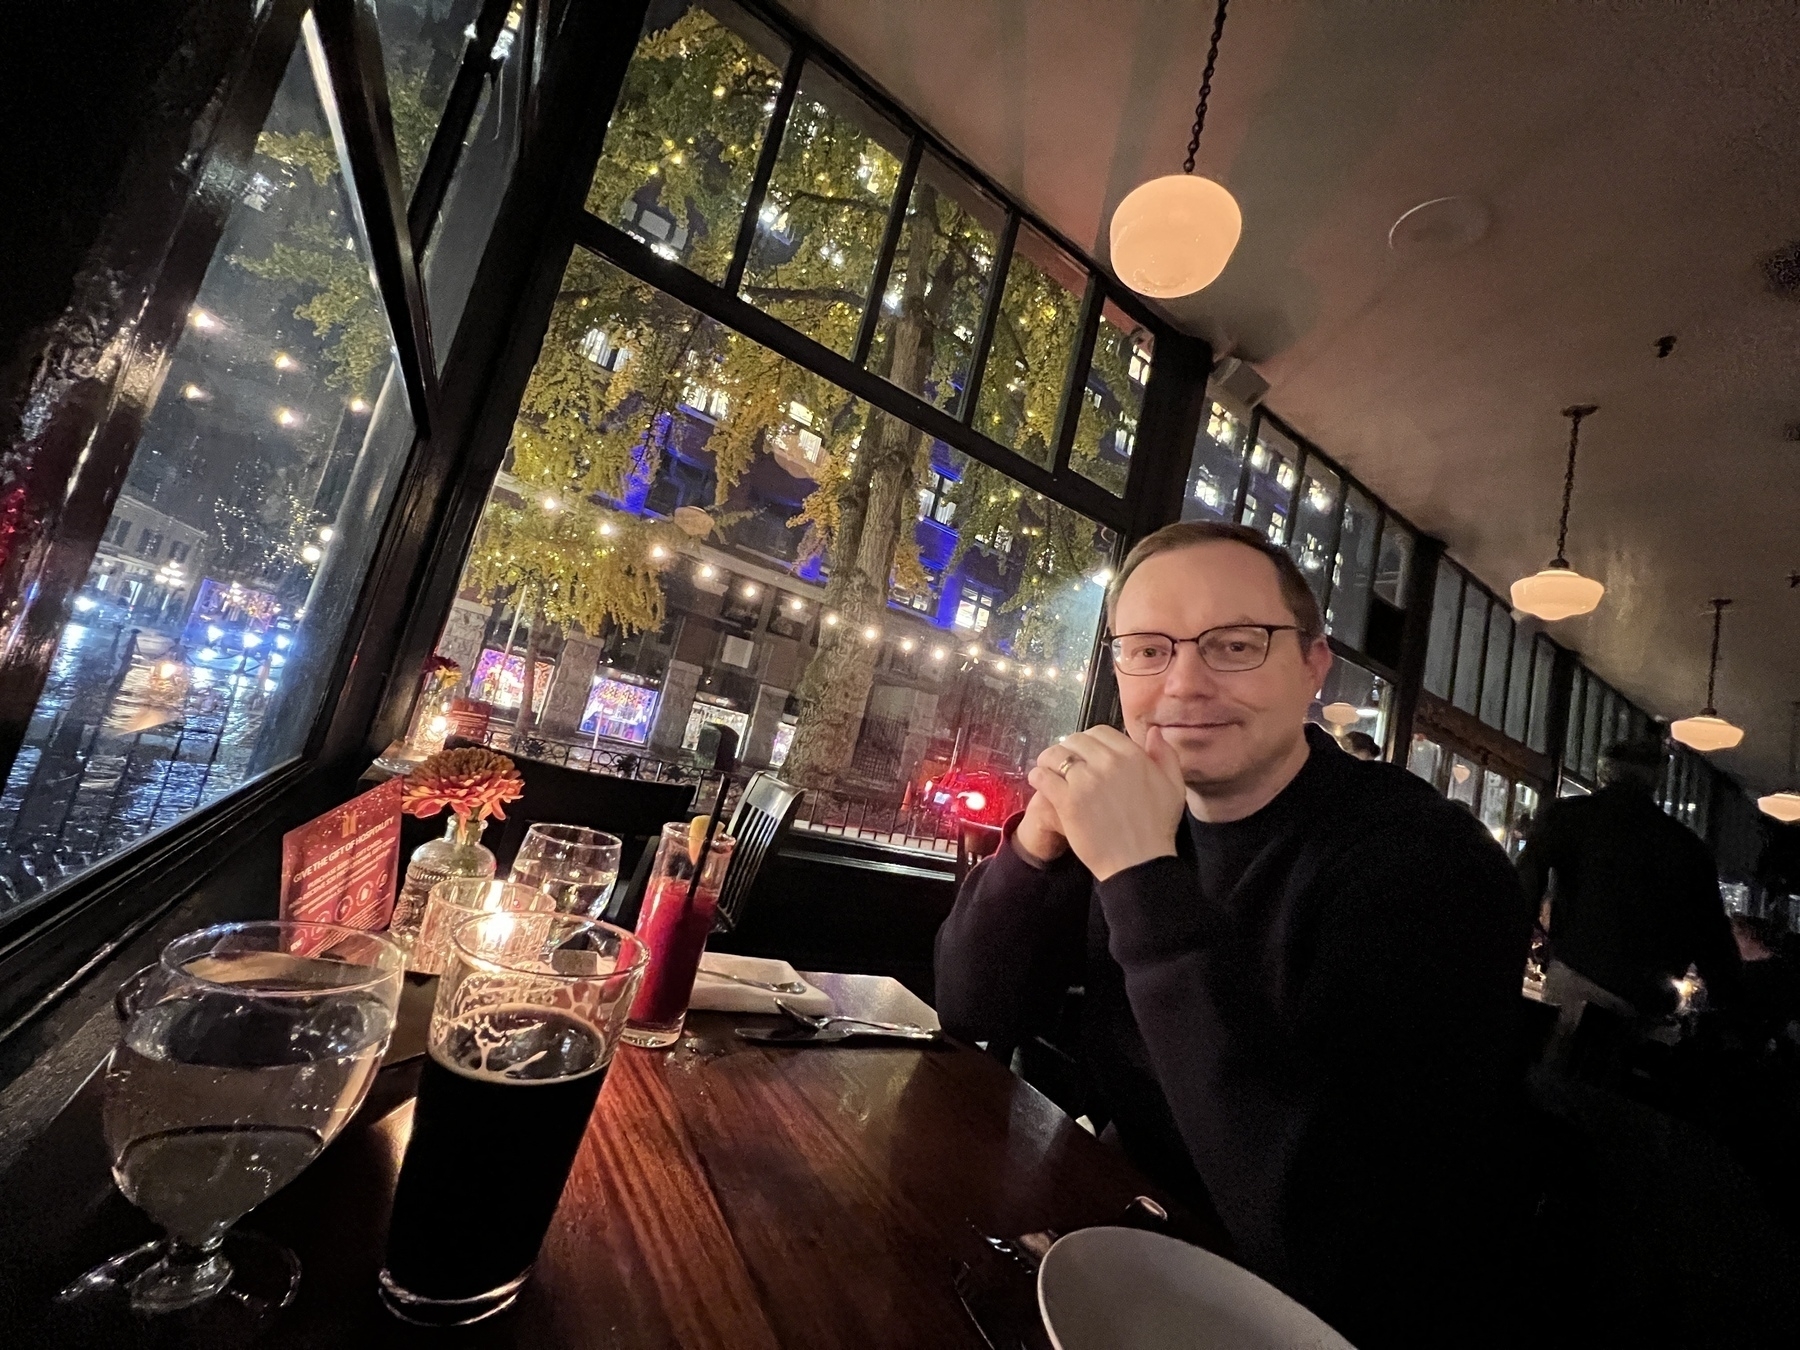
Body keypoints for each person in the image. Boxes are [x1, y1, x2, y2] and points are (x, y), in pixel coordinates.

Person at [935, 521, 1532, 1349]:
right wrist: (1037, 843)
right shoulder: (1147, 811)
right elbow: (971, 1004)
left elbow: (1333, 1230)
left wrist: (1142, 876)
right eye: (1147, 649)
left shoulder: (1427, 865)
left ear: (1312, 667)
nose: (1183, 685)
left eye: (1236, 645)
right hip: (1127, 1229)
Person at [1517, 739, 1742, 1020]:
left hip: (1576, 971)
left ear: (1603, 773)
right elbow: (1712, 934)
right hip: (1646, 996)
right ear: (1656, 780)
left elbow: (1526, 883)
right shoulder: (1687, 847)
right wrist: (1728, 1003)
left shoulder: (1569, 816)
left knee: (1558, 1056)